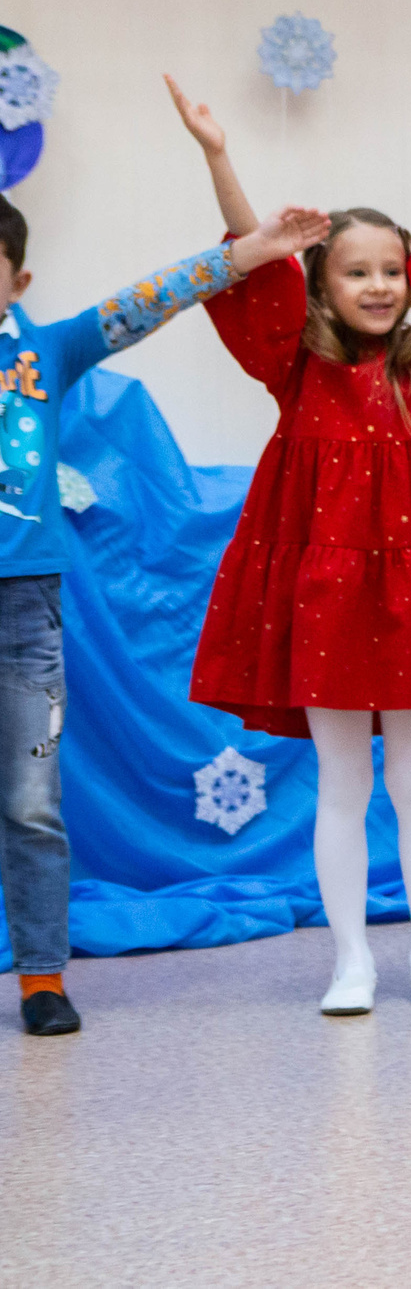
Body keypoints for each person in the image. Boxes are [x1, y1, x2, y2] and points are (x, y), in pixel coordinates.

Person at [175, 73, 411, 1016]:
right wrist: (220, 157)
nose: (379, 285)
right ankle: (349, 962)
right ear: (322, 285)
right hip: (327, 592)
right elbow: (254, 270)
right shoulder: (295, 362)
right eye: (355, 270)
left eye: (392, 270)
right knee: (339, 780)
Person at [0, 177, 322, 1035]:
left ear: (18, 282)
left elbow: (151, 301)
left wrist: (254, 253)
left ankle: (40, 978)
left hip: (24, 610)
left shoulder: (46, 353)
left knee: (31, 799)